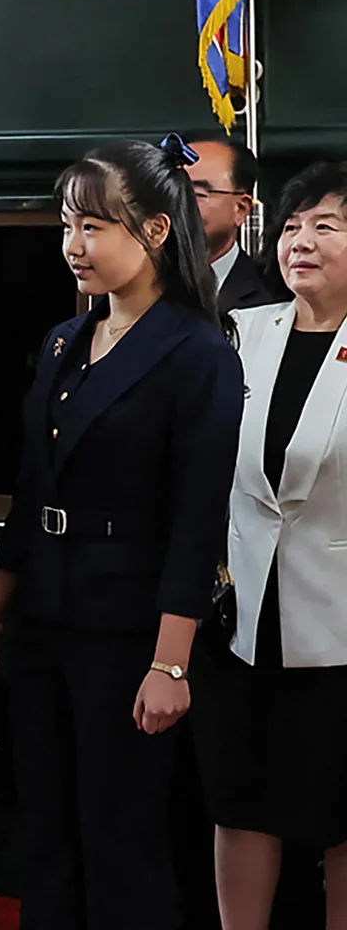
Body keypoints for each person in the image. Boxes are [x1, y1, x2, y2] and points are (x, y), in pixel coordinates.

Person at [0, 135, 244, 930]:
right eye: (65, 226)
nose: (73, 245)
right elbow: (32, 493)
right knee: (46, 833)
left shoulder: (198, 351)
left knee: (123, 838)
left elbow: (199, 520)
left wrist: (171, 663)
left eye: (93, 227)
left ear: (154, 230)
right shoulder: (65, 340)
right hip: (45, 615)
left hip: (130, 630)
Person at [189, 161, 347, 930]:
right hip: (244, 626)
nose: (301, 241)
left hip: (340, 634)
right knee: (240, 804)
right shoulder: (242, 333)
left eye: (326, 226)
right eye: (291, 227)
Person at [185, 136, 288, 312]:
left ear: (240, 209)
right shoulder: (139, 288)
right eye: (169, 191)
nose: (178, 203)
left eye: (197, 193)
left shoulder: (277, 298)